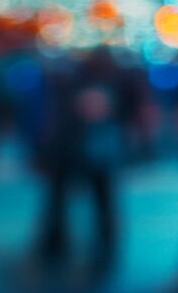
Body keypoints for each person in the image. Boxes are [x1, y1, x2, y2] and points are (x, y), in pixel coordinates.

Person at [37, 48, 136, 275]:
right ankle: (60, 242)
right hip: (76, 150)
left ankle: (67, 243)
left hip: (89, 151)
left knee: (92, 199)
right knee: (80, 198)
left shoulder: (84, 83)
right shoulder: (85, 83)